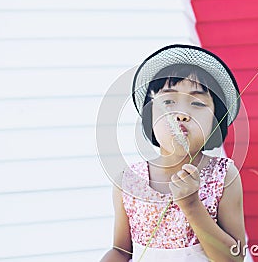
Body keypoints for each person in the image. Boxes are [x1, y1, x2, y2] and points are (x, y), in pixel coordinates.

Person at [100, 44, 246, 262]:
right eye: (167, 101)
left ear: (216, 121)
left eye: (197, 103)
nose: (182, 114)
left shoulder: (223, 176)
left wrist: (191, 205)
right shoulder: (128, 181)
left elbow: (234, 258)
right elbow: (121, 251)